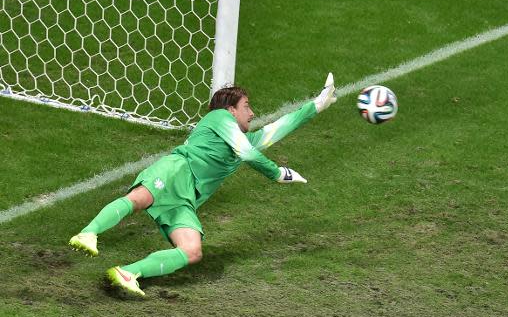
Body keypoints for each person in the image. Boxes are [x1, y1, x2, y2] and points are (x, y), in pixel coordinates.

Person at [69, 73, 337, 296]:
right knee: (139, 199)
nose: (252, 113)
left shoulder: (243, 139)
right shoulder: (219, 119)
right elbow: (249, 155)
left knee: (191, 250)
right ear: (231, 109)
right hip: (176, 171)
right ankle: (88, 232)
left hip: (188, 197)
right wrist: (277, 173)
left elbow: (279, 127)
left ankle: (128, 273)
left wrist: (317, 105)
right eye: (247, 106)